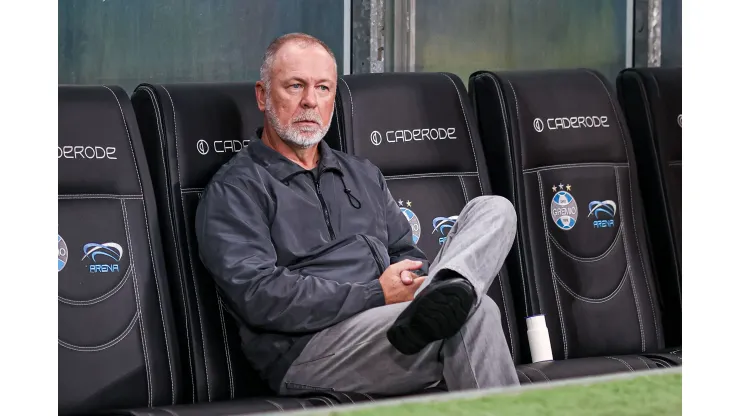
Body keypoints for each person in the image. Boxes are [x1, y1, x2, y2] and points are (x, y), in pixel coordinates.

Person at [195, 33, 519, 397]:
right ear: (262, 95)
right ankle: (446, 299)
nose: (309, 102)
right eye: (295, 86)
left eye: (322, 88)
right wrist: (376, 294)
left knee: (494, 209)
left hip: (392, 321)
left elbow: (405, 254)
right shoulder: (236, 189)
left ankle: (447, 288)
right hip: (309, 349)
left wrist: (410, 283)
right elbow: (260, 296)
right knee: (476, 313)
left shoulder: (361, 173)